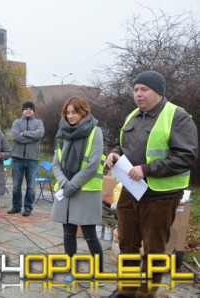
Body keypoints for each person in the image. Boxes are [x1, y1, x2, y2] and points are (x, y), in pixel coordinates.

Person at [103, 70, 198, 298]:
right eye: (135, 90)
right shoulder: (132, 116)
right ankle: (126, 291)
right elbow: (122, 145)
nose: (138, 94)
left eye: (144, 89)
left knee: (154, 250)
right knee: (127, 245)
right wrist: (115, 153)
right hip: (130, 191)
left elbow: (187, 156)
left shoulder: (177, 116)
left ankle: (145, 294)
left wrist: (147, 169)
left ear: (159, 92)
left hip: (160, 196)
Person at [50, 96, 104, 283]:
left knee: (89, 234)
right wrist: (64, 182)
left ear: (84, 112)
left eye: (75, 112)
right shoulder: (61, 133)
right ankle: (70, 270)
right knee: (68, 233)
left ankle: (98, 271)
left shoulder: (95, 132)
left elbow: (93, 164)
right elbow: (56, 163)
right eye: (68, 112)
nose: (71, 116)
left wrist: (73, 184)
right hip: (66, 190)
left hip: (85, 191)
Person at [9, 101, 44, 217]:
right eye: (26, 108)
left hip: (32, 159)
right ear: (22, 111)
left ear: (34, 111)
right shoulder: (17, 122)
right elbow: (16, 137)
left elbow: (40, 134)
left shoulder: (39, 123)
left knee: (31, 186)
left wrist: (24, 133)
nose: (28, 110)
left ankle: (28, 207)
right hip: (17, 158)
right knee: (16, 185)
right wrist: (32, 138)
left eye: (30, 108)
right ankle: (16, 206)